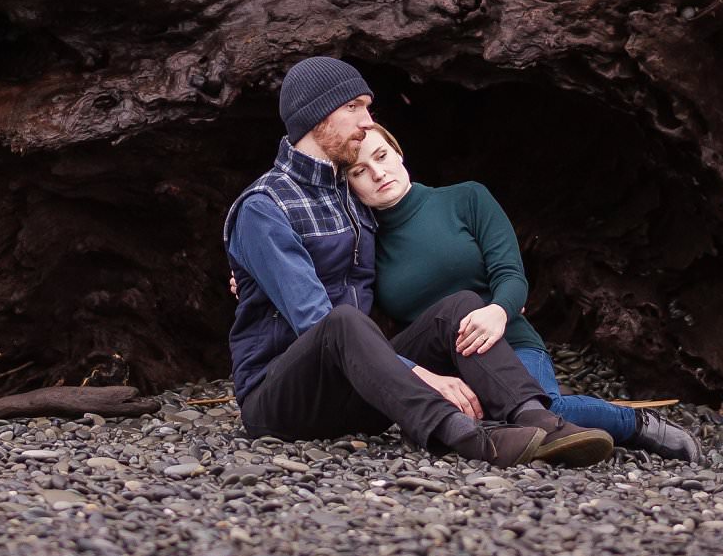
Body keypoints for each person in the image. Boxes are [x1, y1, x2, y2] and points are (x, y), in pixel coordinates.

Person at [223, 55, 616, 468]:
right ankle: (463, 435)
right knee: (340, 321)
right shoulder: (264, 208)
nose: (367, 122)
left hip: (360, 386)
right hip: (282, 399)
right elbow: (314, 320)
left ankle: (537, 420)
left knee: (460, 306)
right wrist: (422, 375)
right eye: (353, 107)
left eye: (368, 108)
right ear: (316, 116)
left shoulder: (349, 193)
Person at [347, 123, 702, 463]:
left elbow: (511, 275)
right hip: (440, 365)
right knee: (488, 421)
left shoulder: (466, 198)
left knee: (540, 408)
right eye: (359, 171)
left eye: (380, 156)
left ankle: (636, 424)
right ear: (350, 186)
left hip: (507, 340)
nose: (377, 174)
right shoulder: (363, 245)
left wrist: (498, 310)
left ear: (398, 152)